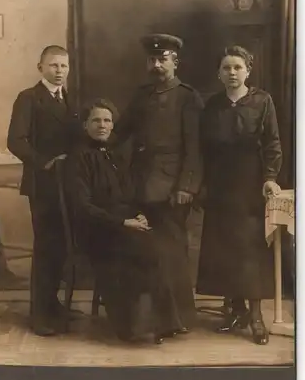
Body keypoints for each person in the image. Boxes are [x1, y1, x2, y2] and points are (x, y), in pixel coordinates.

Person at [65, 98, 183, 344]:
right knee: (137, 251)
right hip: (96, 229)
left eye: (107, 120)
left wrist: (137, 215)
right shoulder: (78, 158)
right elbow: (82, 206)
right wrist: (122, 223)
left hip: (124, 225)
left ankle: (161, 323)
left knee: (157, 248)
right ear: (85, 124)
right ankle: (134, 327)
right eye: (96, 120)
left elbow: (128, 195)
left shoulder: (115, 156)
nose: (102, 125)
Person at [113, 33, 204, 337]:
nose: (156, 65)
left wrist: (187, 186)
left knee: (173, 251)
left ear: (175, 62)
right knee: (147, 251)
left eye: (162, 59)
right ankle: (150, 320)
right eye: (152, 60)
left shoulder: (188, 97)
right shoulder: (141, 96)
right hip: (141, 183)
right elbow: (119, 132)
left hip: (173, 186)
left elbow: (195, 148)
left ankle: (180, 319)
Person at [196, 45, 283, 345]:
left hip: (250, 184)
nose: (232, 73)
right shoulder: (212, 106)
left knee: (250, 251)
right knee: (224, 248)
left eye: (237, 67)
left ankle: (256, 315)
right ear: (218, 74)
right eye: (226, 68)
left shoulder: (262, 101)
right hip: (219, 184)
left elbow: (272, 143)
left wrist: (270, 177)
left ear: (248, 70)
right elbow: (202, 149)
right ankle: (235, 309)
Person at [7, 45, 81, 336]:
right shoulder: (28, 98)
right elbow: (16, 140)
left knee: (61, 247)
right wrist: (45, 163)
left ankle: (53, 304)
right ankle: (39, 315)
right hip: (43, 184)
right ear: (41, 68)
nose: (59, 71)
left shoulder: (70, 100)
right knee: (46, 247)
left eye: (63, 66)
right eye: (53, 66)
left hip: (67, 184)